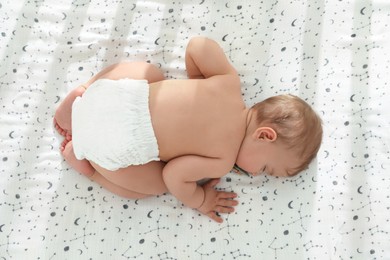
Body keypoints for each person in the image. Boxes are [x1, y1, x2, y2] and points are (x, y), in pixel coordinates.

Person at [54, 37, 322, 223]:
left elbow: (198, 45)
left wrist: (197, 83)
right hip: (113, 144)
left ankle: (83, 94)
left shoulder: (228, 83)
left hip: (111, 95)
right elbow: (173, 175)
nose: (254, 175)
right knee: (155, 186)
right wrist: (201, 200)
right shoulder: (221, 161)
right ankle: (85, 165)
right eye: (264, 168)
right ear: (264, 135)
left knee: (150, 73)